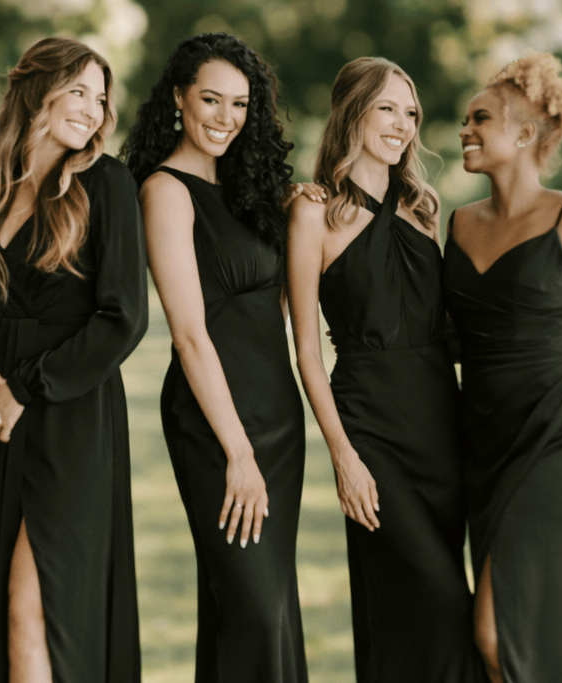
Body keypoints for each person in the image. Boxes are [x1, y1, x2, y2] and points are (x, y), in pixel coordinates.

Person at [0, 37, 147, 683]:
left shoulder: (106, 183)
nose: (93, 108)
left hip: (70, 412)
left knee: (41, 605)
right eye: (78, 90)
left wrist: (28, 386)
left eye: (101, 97)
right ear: (37, 90)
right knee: (13, 611)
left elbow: (124, 318)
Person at [120, 32, 319, 682]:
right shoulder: (165, 191)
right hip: (216, 426)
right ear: (179, 98)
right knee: (255, 609)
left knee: (260, 608)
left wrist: (304, 214)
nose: (225, 118)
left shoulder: (246, 190)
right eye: (211, 99)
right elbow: (190, 334)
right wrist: (237, 451)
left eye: (239, 104)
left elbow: (281, 310)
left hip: (280, 421)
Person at [287, 57, 482, 682]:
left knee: (437, 600)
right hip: (371, 428)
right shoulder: (312, 213)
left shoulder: (423, 208)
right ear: (353, 113)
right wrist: (344, 456)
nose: (402, 124)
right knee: (433, 605)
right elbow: (307, 352)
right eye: (387, 108)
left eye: (411, 112)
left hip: (439, 426)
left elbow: (452, 330)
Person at [442, 52, 562, 683]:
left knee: (498, 633)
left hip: (561, 437)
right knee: (529, 624)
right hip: (485, 441)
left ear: (524, 134)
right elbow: (451, 338)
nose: (464, 130)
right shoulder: (460, 225)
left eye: (481, 119)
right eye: (466, 119)